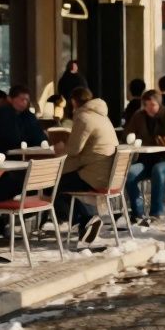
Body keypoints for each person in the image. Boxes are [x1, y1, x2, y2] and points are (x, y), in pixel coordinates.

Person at [0, 85, 47, 242]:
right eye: (21, 99)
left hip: (18, 169)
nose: (25, 103)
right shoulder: (1, 114)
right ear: (10, 99)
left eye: (27, 100)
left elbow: (39, 138)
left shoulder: (27, 116)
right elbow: (8, 139)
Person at [56, 87, 115, 245]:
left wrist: (61, 148)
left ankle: (86, 220)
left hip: (95, 175)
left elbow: (74, 150)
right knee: (61, 183)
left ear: (74, 101)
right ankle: (85, 223)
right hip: (109, 174)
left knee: (53, 186)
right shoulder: (102, 116)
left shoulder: (84, 117)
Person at [123, 89, 165, 227]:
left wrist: (146, 139)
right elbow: (128, 133)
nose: (149, 107)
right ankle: (137, 213)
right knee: (129, 174)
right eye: (146, 104)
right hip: (145, 159)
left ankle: (156, 212)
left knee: (158, 170)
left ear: (159, 104)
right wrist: (133, 138)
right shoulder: (139, 116)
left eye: (152, 104)